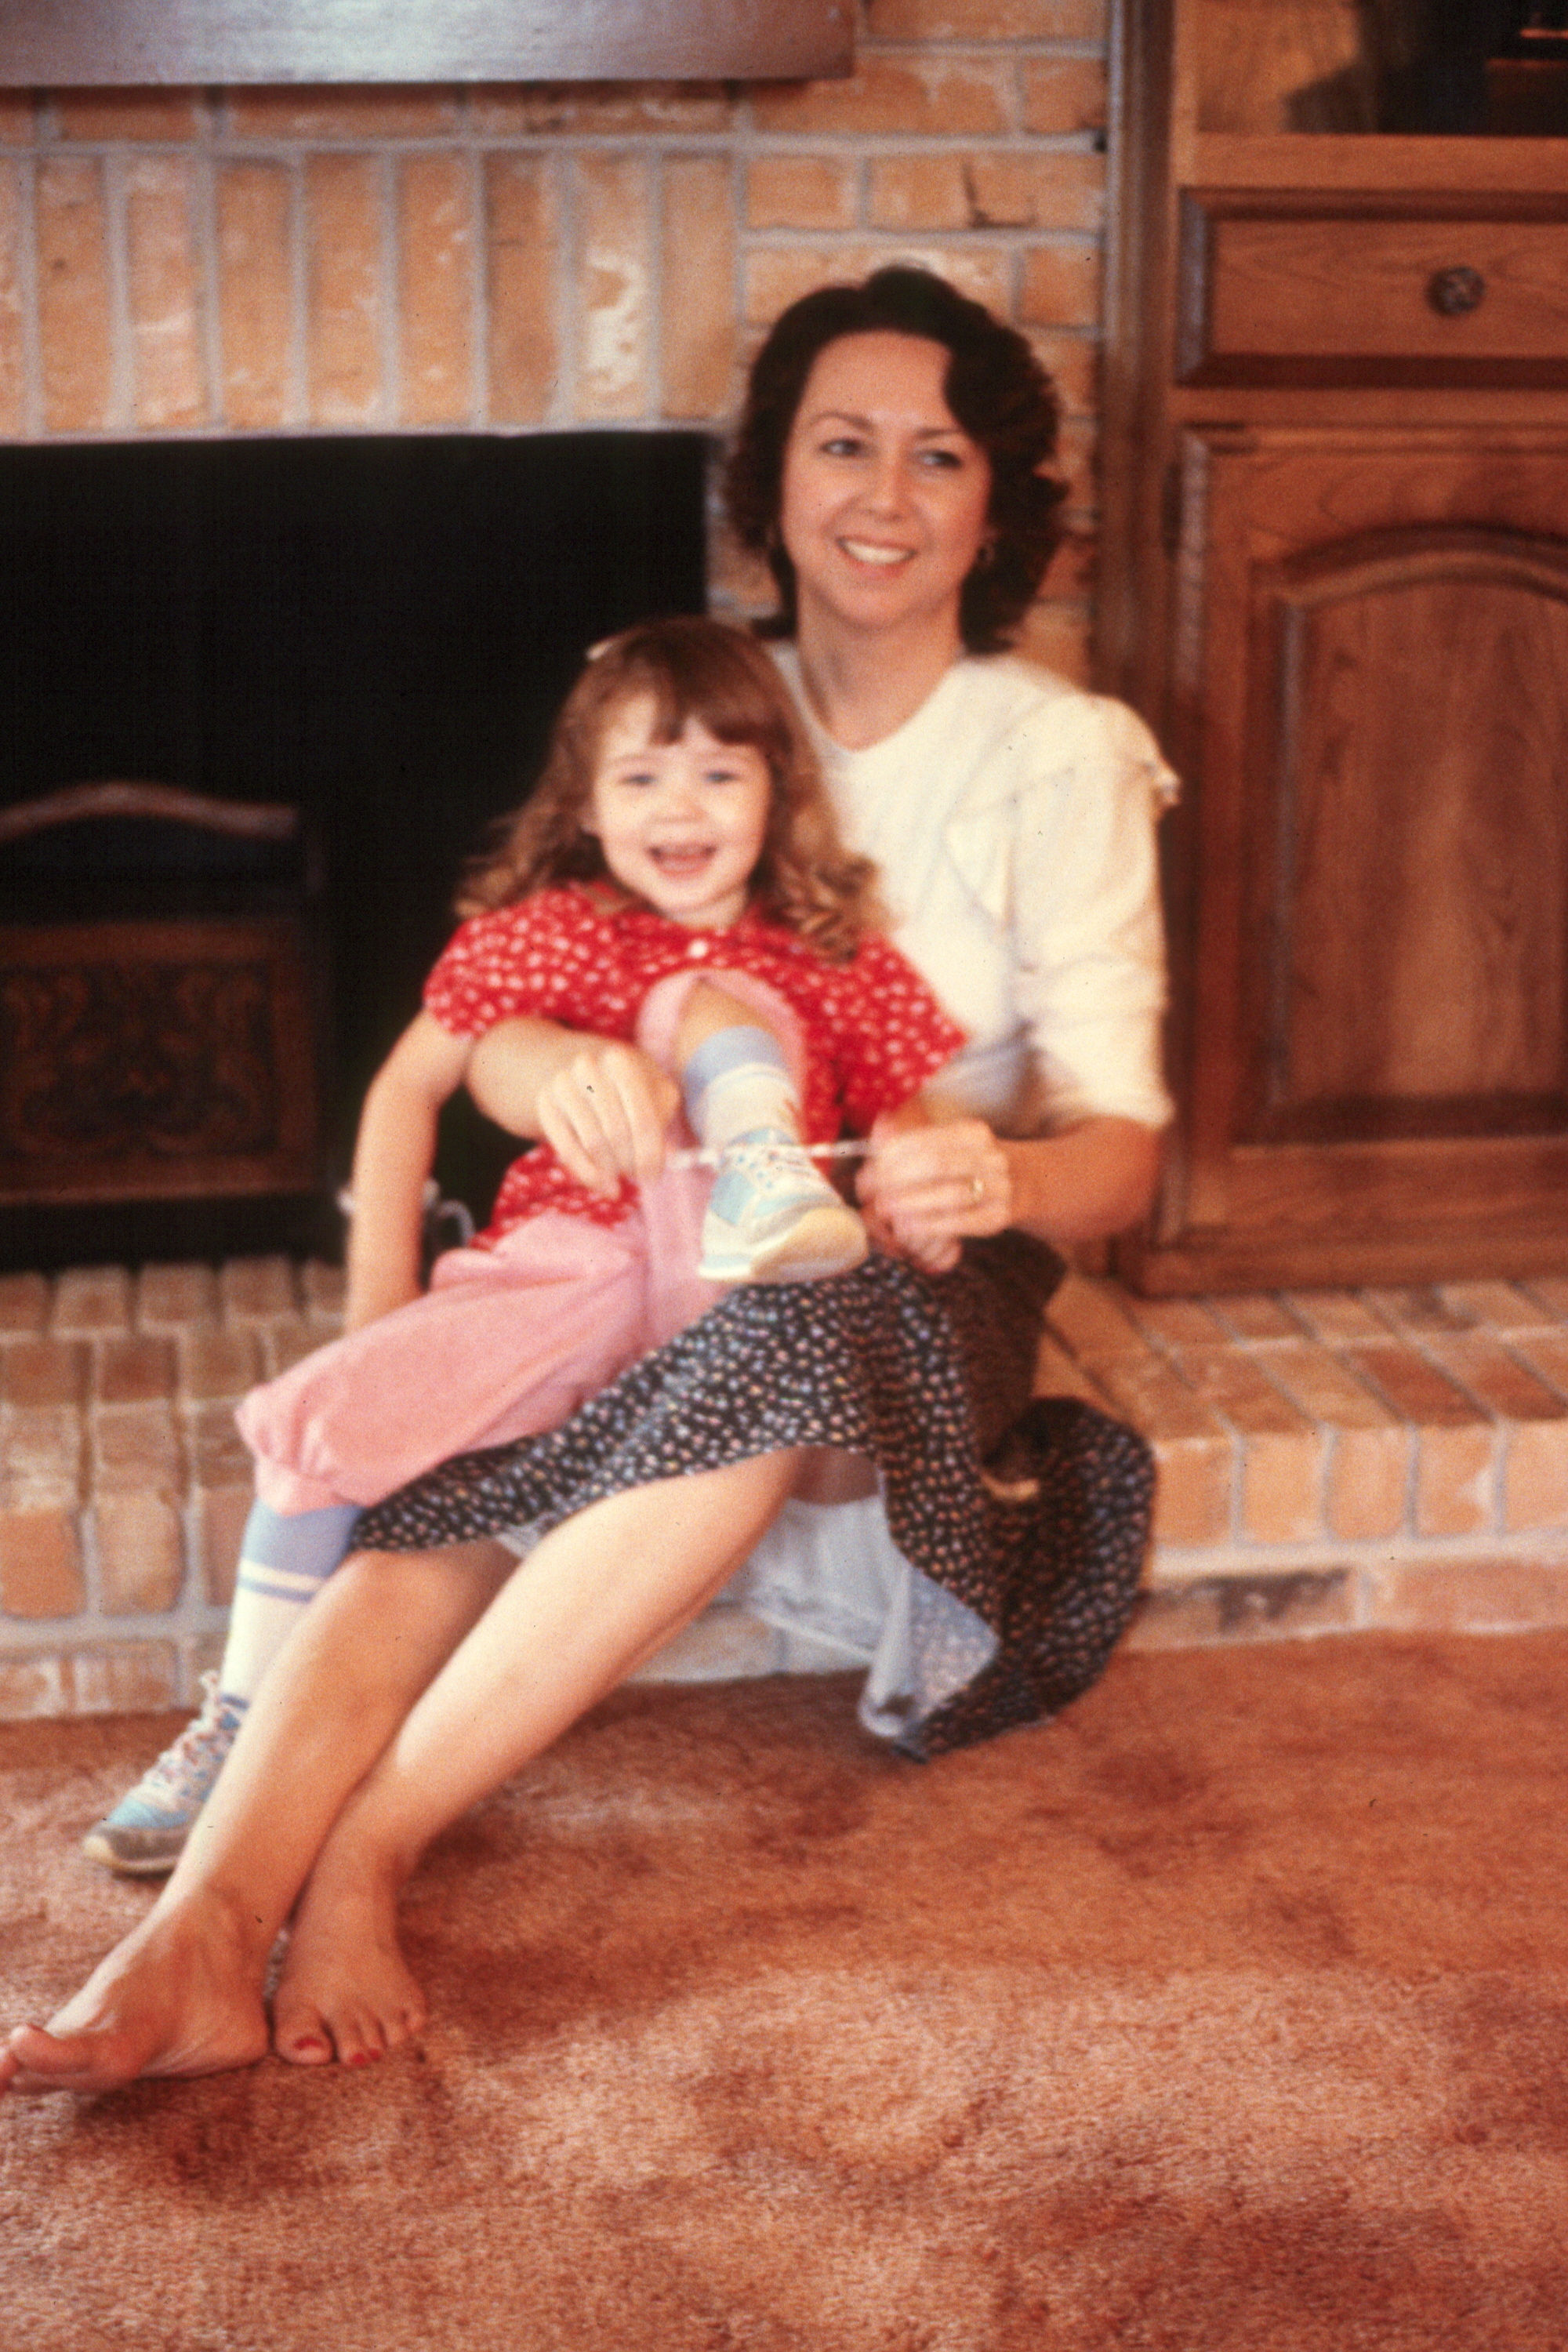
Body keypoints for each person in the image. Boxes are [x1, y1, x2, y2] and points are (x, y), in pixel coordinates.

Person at [2, 265, 1174, 2098]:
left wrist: (994, 1173)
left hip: (908, 1252)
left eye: (936, 455)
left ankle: (362, 1855)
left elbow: (1121, 1157)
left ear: (995, 506)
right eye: (839, 445)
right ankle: (202, 1931)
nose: (881, 494)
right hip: (654, 1235)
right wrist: (556, 1067)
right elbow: (495, 1017)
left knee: (788, 1312)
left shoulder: (1057, 752)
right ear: (771, 484)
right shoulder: (689, 699)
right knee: (485, 1418)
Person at [82, 615, 964, 1875]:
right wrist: (378, 1307)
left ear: (779, 791)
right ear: (587, 805)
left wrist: (922, 1178)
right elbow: (404, 1089)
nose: (682, 807)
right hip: (578, 1268)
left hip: (750, 1318)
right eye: (641, 776)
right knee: (328, 1423)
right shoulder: (556, 931)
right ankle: (238, 1721)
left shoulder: (832, 955)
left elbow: (906, 1106)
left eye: (721, 772)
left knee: (712, 1005)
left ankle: (764, 1182)